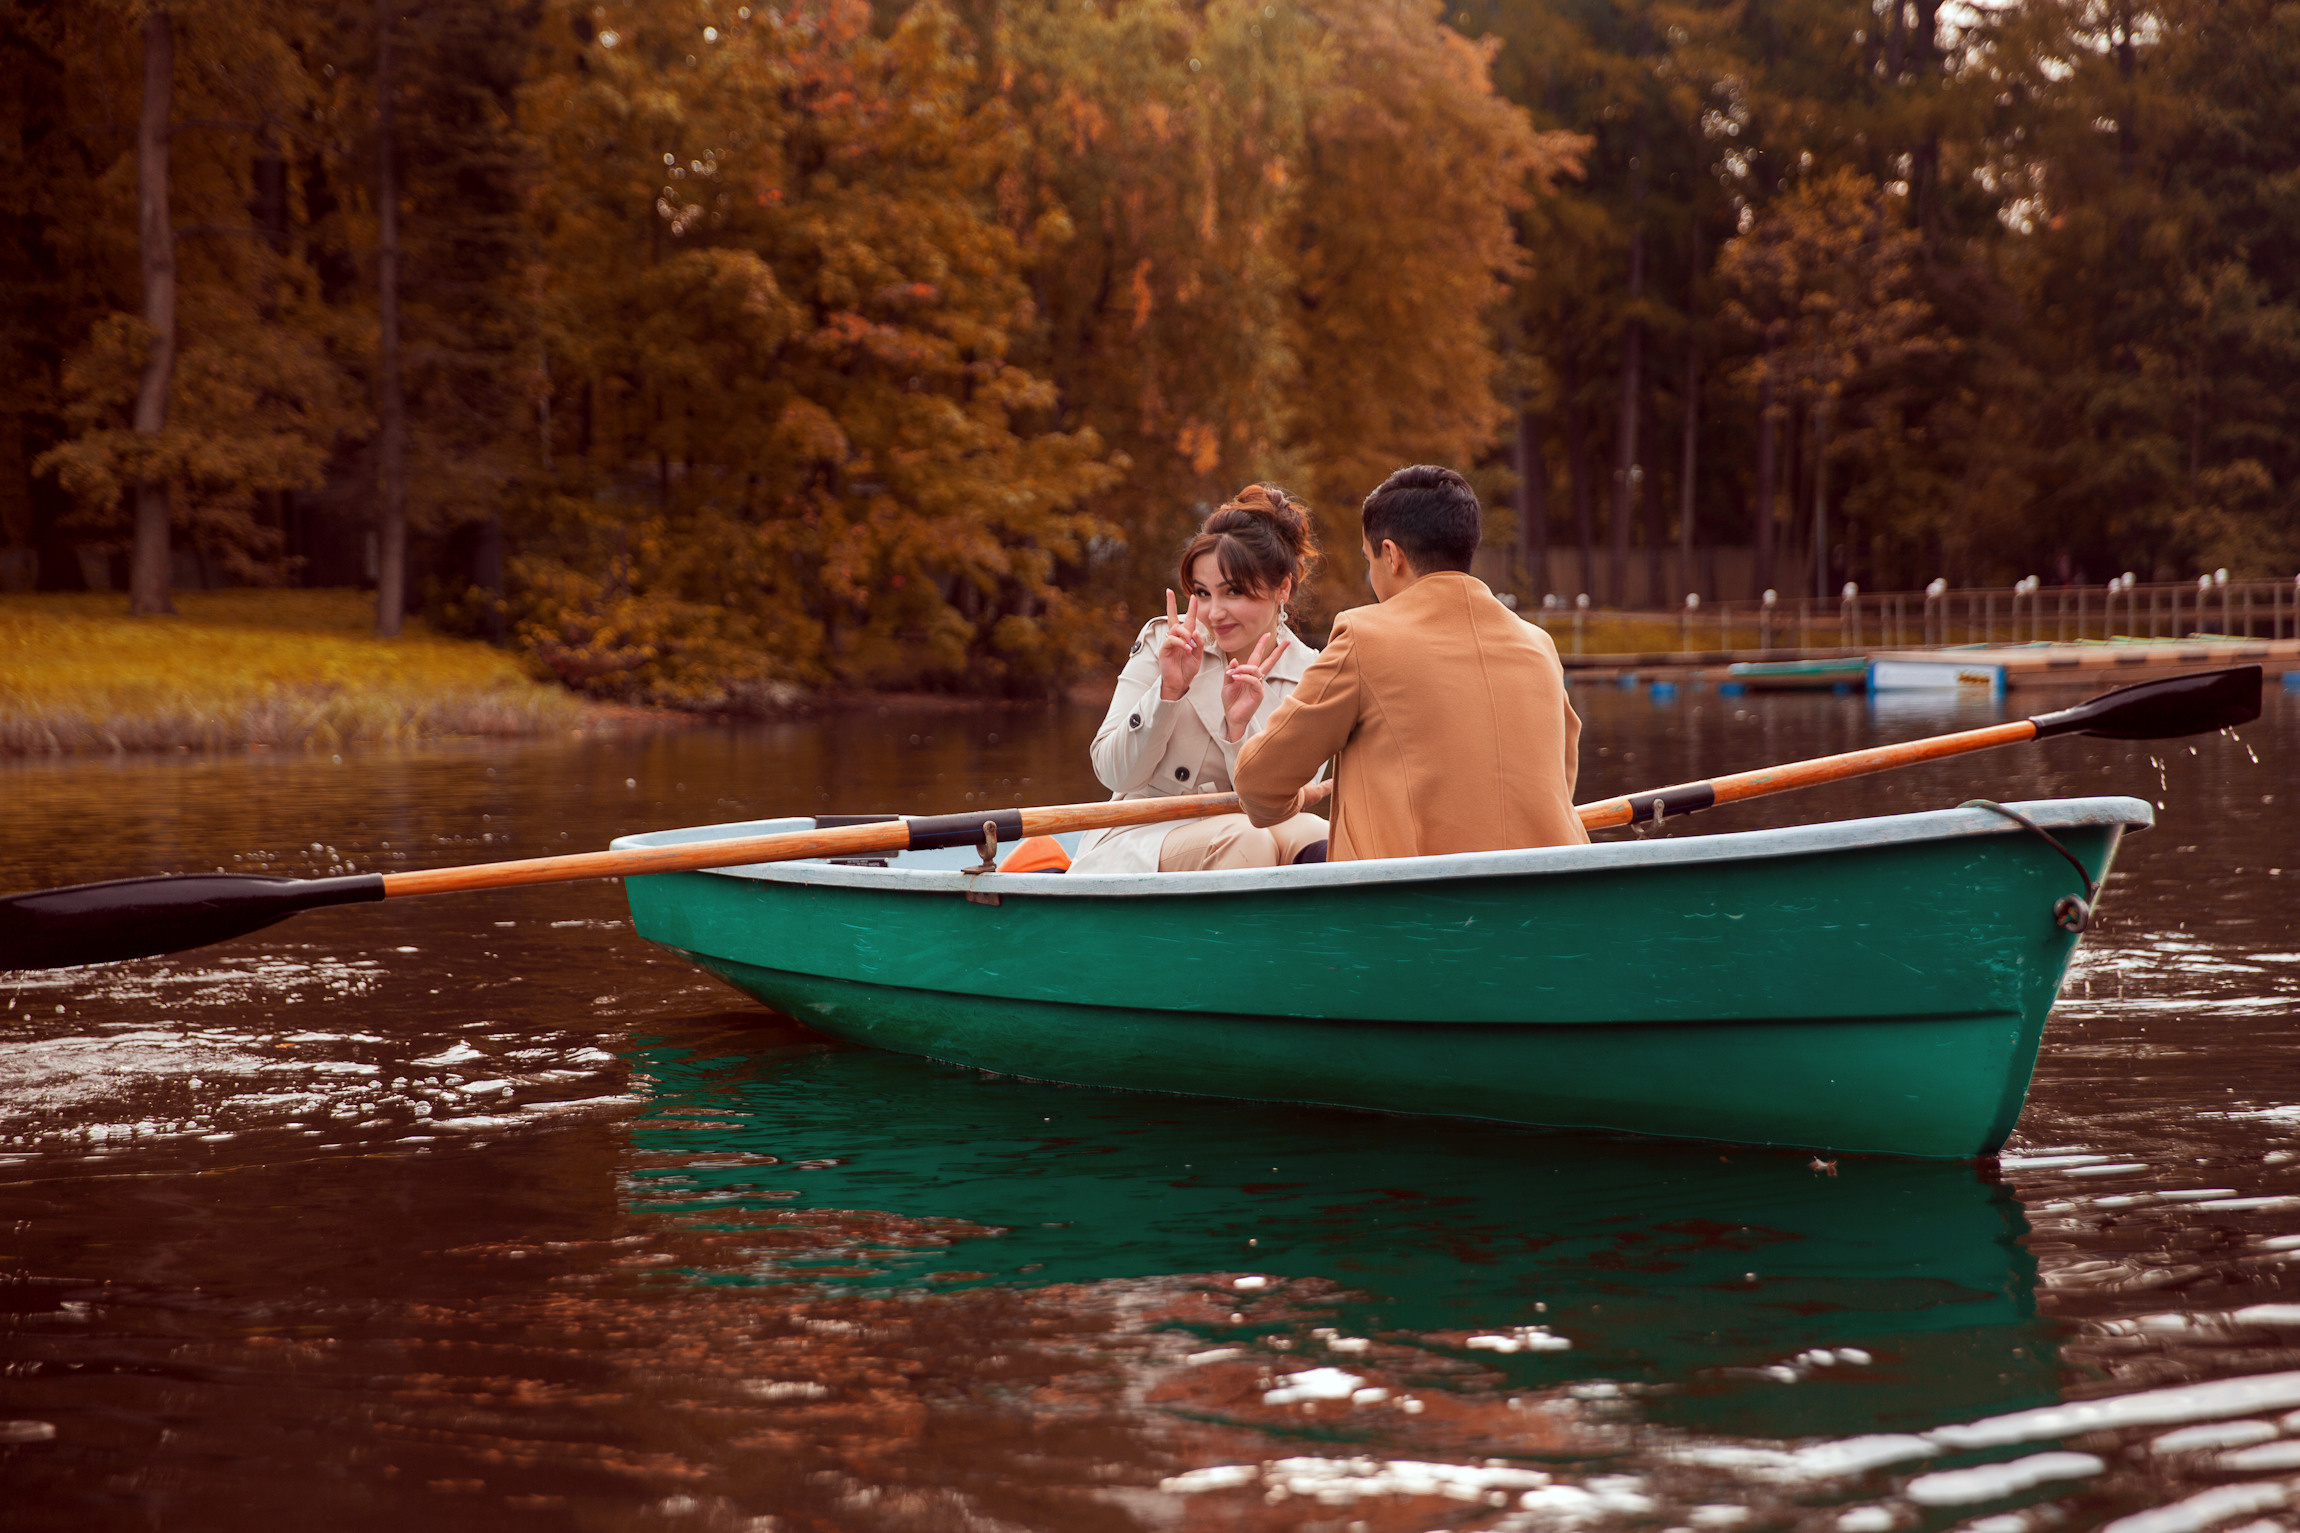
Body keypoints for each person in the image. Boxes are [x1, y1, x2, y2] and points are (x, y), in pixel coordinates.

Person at [1231, 464, 1587, 860]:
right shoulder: (1539, 645)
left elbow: (1258, 782)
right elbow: (1563, 778)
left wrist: (1293, 803)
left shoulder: (1364, 636)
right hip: (1550, 892)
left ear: (1391, 555)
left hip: (1416, 903)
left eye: (1368, 560)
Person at [1069, 486, 1335, 874]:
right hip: (1142, 836)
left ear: (1283, 588)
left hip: (1254, 824)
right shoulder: (1165, 642)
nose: (1214, 613)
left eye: (1233, 592)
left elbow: (1275, 805)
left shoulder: (1314, 674)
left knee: (1328, 838)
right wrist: (1168, 692)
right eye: (1203, 593)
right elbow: (1114, 773)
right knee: (1246, 839)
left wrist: (1238, 728)